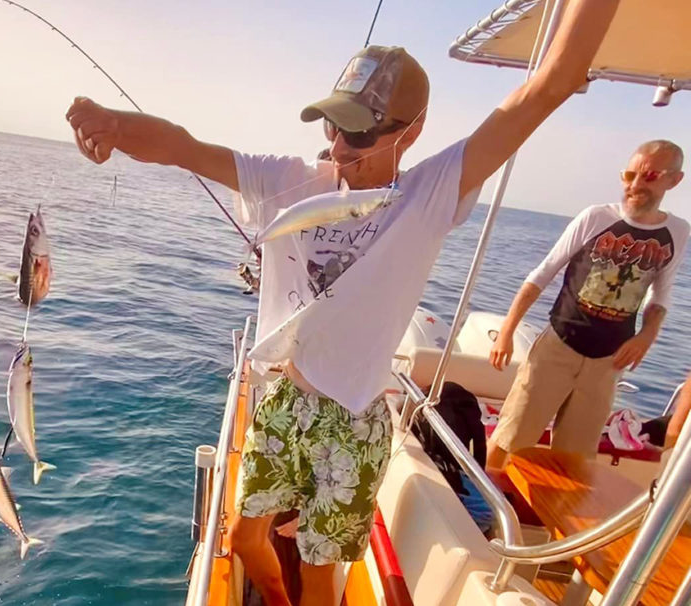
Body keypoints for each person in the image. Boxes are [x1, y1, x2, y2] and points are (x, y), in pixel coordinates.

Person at [66, 2, 619, 603]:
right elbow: (183, 147)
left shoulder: (429, 192)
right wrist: (115, 127)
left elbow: (550, 84)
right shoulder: (286, 179)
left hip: (354, 421)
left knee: (320, 576)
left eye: (359, 130)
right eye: (331, 124)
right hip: (283, 396)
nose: (338, 142)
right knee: (244, 539)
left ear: (413, 129)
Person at [487, 140, 687, 470]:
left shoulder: (677, 232)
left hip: (608, 361)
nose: (635, 185)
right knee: (511, 437)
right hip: (558, 345)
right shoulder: (595, 217)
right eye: (630, 174)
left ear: (673, 181)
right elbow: (543, 273)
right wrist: (506, 331)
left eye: (649, 176)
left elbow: (661, 294)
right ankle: (483, 511)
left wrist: (646, 337)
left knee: (575, 457)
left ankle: (553, 518)